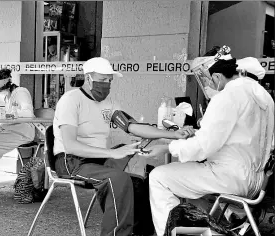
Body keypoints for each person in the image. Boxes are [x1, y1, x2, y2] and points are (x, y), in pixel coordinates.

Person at [53, 57, 191, 236]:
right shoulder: (70, 100)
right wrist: (113, 152)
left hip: (98, 160)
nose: (107, 85)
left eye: (110, 81)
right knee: (117, 179)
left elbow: (133, 127)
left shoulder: (109, 104)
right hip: (70, 160)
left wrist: (173, 134)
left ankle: (142, 232)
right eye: (102, 80)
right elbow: (70, 145)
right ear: (88, 78)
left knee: (141, 176)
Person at [140, 58, 274, 236]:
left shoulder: (228, 95)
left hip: (230, 177)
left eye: (209, 80)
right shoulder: (266, 98)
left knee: (159, 177)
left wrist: (167, 148)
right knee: (194, 187)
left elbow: (203, 146)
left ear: (218, 77)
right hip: (258, 182)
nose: (209, 85)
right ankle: (205, 228)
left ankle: (171, 233)